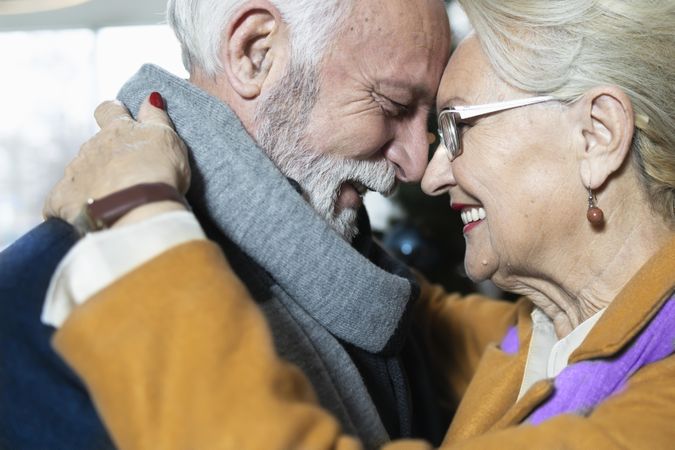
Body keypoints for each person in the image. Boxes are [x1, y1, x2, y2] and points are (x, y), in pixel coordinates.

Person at [44, 0, 675, 448]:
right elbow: (392, 304)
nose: (425, 170)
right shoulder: (555, 329)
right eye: (395, 105)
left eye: (454, 125)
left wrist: (140, 213)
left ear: (596, 136)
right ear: (254, 53)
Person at [0, 0, 451, 448]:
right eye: (393, 104)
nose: (416, 165)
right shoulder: (31, 305)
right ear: (254, 53)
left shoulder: (375, 287)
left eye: (426, 119)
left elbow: (517, 348)